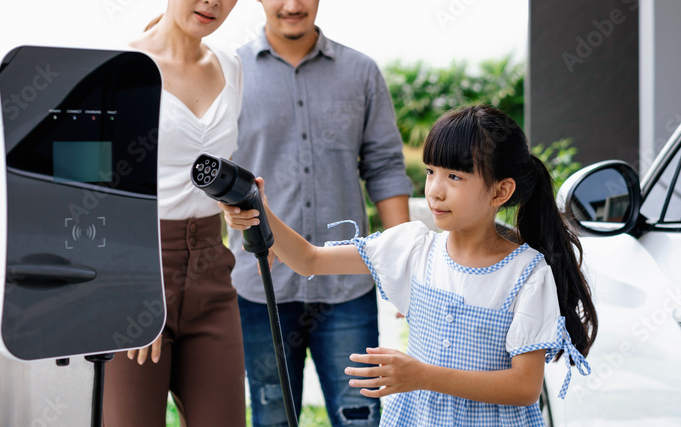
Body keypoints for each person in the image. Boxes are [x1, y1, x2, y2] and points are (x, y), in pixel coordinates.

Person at [225, 105, 597, 426]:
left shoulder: (527, 273)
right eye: (431, 171)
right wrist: (260, 210)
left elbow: (524, 388)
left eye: (455, 177)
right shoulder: (414, 249)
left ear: (501, 191)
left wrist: (421, 375)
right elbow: (310, 259)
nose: (435, 189)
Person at [229, 0, 412, 425]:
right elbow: (212, 171)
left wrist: (405, 264)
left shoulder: (361, 71)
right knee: (272, 417)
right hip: (262, 290)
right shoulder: (229, 73)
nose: (292, 5)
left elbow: (384, 167)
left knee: (360, 416)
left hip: (346, 287)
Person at [102, 1, 247, 425]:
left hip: (211, 271)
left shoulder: (231, 66)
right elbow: (85, 191)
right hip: (134, 272)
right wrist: (128, 286)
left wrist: (234, 200)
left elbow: (208, 164)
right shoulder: (118, 67)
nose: (212, 3)